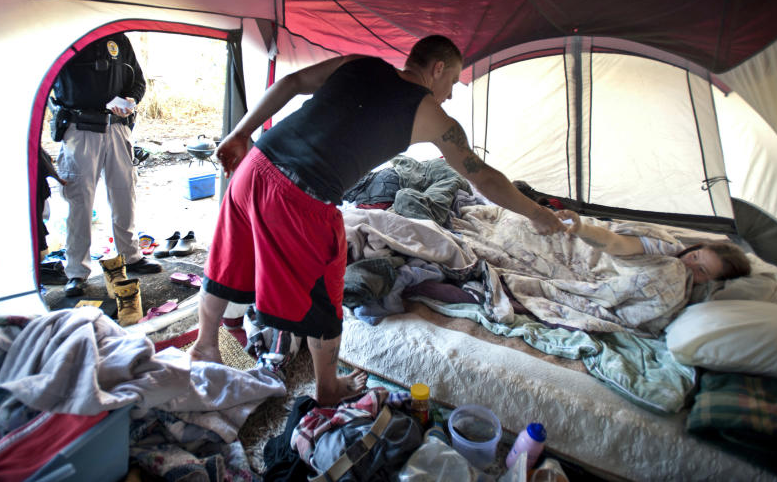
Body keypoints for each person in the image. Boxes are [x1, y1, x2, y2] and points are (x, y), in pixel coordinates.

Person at [187, 35, 564, 406]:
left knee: (228, 260)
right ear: (437, 69)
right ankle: (326, 387)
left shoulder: (358, 62)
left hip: (255, 166)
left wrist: (240, 133)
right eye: (452, 81)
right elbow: (481, 175)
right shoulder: (431, 112)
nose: (450, 93)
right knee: (325, 290)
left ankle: (204, 345)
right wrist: (537, 213)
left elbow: (291, 82)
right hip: (302, 196)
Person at [50, 32, 161, 297]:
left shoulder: (118, 39)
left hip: (118, 129)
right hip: (80, 129)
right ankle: (77, 272)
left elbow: (138, 82)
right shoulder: (68, 37)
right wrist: (101, 102)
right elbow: (57, 84)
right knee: (79, 201)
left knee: (124, 194)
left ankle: (131, 256)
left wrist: (131, 100)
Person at [555, 209, 750, 285]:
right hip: (580, 240)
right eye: (696, 256)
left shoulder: (688, 294)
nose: (689, 263)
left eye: (702, 270)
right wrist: (582, 229)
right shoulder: (665, 249)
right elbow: (616, 243)